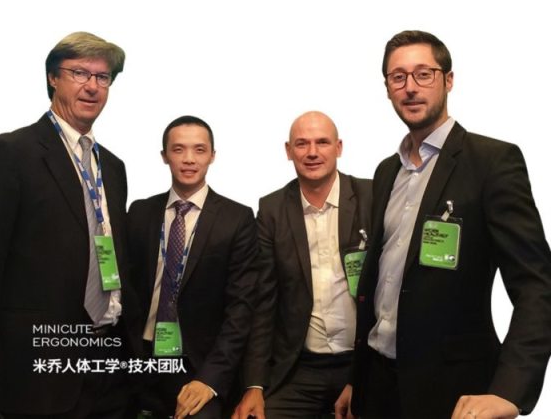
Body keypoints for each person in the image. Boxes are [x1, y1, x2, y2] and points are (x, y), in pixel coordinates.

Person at [352, 30, 551, 419]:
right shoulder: (386, 171)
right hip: (377, 384)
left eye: (423, 73)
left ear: (449, 79)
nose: (411, 87)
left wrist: (509, 391)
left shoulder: (492, 162)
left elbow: (537, 287)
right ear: (387, 88)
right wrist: (356, 382)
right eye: (398, 77)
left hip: (454, 391)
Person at [0, 32, 138, 419]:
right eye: (79, 73)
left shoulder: (113, 168)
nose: (92, 86)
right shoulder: (10, 154)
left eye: (103, 77)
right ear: (53, 78)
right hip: (34, 375)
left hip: (108, 369)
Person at [233, 111, 372, 419]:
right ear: (288, 150)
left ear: (338, 147)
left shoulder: (371, 196)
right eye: (301, 144)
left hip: (363, 363)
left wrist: (359, 377)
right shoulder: (272, 210)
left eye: (322, 142)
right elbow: (263, 302)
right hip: (300, 368)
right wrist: (254, 385)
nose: (312, 152)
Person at [127, 116, 257, 419]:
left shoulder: (237, 219)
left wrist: (209, 379)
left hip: (197, 363)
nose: (189, 159)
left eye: (199, 150)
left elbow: (240, 309)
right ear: (164, 156)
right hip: (139, 356)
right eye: (178, 149)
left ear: (212, 155)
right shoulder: (140, 212)